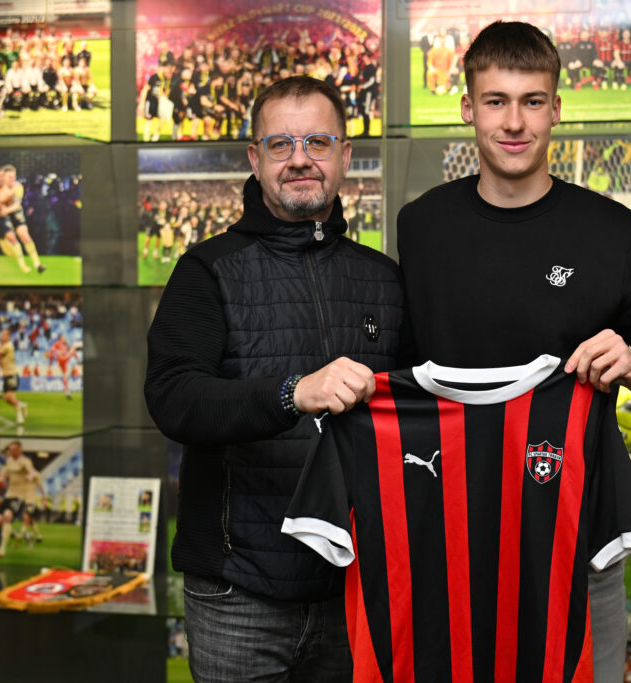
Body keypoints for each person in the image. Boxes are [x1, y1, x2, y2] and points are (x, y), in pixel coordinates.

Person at [395, 21, 631, 679]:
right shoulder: (422, 225)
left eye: (533, 101)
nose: (515, 122)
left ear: (556, 110)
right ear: (467, 108)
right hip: (449, 540)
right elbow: (403, 372)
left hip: (578, 544)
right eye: (496, 101)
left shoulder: (618, 234)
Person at [144, 76, 411, 682]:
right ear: (255, 158)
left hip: (354, 588)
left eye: (317, 142)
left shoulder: (385, 279)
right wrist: (293, 393)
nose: (299, 159)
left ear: (345, 155)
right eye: (280, 144)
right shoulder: (206, 270)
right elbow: (172, 398)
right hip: (238, 595)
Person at [0, 440, 46, 557]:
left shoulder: (25, 461)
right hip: (8, 495)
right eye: (10, 449)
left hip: (19, 497)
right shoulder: (9, 461)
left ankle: (2, 550)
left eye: (13, 449)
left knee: (9, 517)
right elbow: (4, 476)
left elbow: (33, 472)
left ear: (19, 450)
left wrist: (30, 476)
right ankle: (20, 535)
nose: (10, 451)